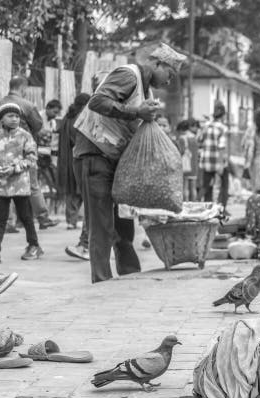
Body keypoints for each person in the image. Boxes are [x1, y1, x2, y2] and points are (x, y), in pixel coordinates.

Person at [73, 42, 187, 283]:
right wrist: (136, 113)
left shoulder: (147, 92)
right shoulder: (128, 74)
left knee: (124, 223)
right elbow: (97, 102)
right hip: (95, 154)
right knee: (102, 224)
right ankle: (102, 281)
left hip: (115, 160)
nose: (169, 81)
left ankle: (129, 276)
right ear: (157, 63)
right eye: (170, 73)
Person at [0, 76, 56, 230]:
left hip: (3, 151)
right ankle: (43, 218)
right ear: (22, 88)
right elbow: (38, 126)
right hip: (24, 152)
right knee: (32, 185)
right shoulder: (27, 105)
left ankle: (9, 222)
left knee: (6, 184)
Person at [0, 103, 41, 263]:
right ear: (1, 119)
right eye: (10, 116)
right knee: (0, 218)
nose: (14, 119)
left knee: (26, 216)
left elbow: (32, 158)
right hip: (0, 186)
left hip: (20, 184)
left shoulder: (25, 136)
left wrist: (15, 168)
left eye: (17, 116)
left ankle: (34, 246)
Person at [57, 93, 91, 260]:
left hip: (70, 158)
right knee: (87, 196)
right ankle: (86, 243)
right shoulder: (83, 117)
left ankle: (72, 222)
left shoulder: (68, 117)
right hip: (83, 158)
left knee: (72, 190)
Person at [197, 101, 230, 210]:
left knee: (207, 186)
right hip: (218, 161)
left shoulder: (205, 126)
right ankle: (222, 208)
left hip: (206, 161)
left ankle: (206, 207)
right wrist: (220, 165)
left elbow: (199, 141)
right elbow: (221, 147)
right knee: (224, 185)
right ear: (224, 115)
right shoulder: (223, 128)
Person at [174, 119, 197, 202]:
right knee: (193, 188)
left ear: (181, 129)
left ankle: (186, 203)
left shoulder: (182, 138)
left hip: (186, 165)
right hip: (194, 165)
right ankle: (194, 203)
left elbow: (181, 151)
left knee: (185, 187)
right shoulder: (194, 137)